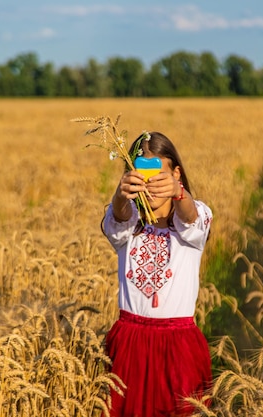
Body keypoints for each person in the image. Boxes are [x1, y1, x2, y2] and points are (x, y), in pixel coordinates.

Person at [101, 131, 213, 417]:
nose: (150, 186)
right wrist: (120, 195)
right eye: (142, 176)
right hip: (128, 345)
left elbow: (189, 215)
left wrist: (178, 192)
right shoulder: (126, 223)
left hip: (179, 347)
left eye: (159, 176)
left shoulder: (192, 223)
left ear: (177, 174)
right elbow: (118, 216)